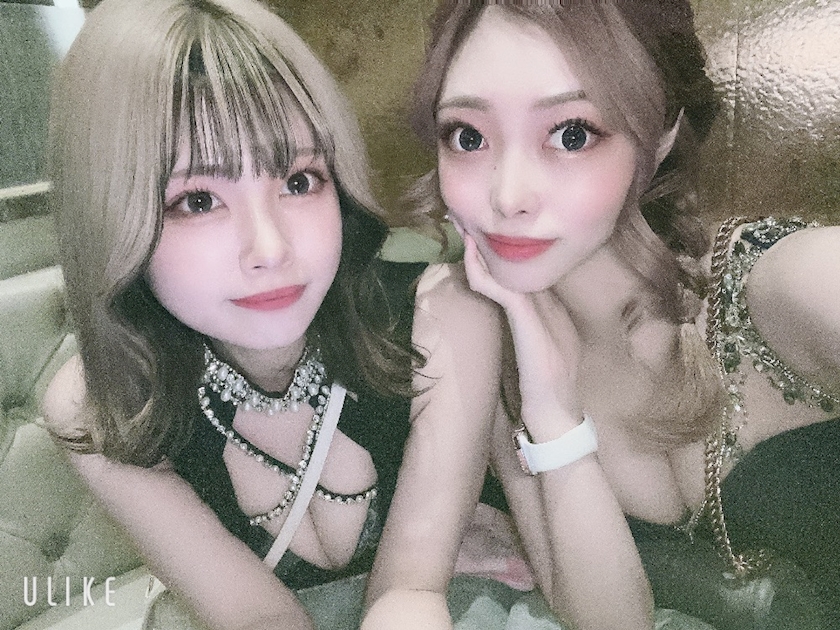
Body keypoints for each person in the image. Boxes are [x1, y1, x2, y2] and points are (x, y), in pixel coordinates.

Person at [42, 0, 496, 628]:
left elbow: (411, 592)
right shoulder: (104, 406)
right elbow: (257, 618)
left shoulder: (443, 322)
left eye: (300, 181)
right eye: (198, 200)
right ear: (111, 219)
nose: (271, 248)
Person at [407, 1, 840, 629]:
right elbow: (608, 619)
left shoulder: (795, 283)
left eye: (571, 134)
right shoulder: (498, 351)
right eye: (468, 137)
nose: (507, 195)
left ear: (662, 135)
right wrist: (553, 415)